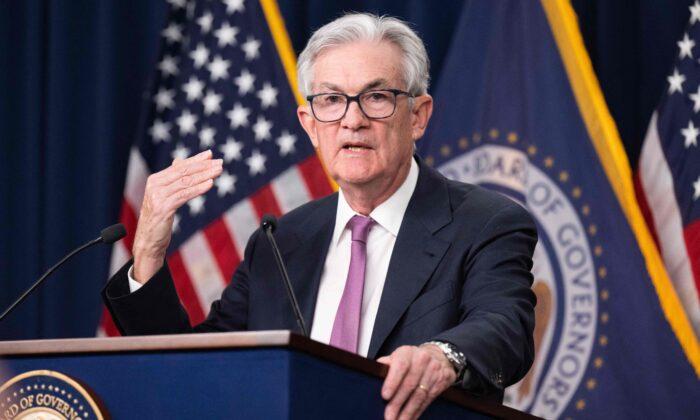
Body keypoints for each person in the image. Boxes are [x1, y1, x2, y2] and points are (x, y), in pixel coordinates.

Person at [103, 13, 537, 420]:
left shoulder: (486, 223)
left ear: (418, 116)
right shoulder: (280, 241)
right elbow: (194, 369)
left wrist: (443, 356)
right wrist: (149, 250)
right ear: (310, 124)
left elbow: (504, 327)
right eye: (332, 100)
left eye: (376, 97)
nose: (352, 119)